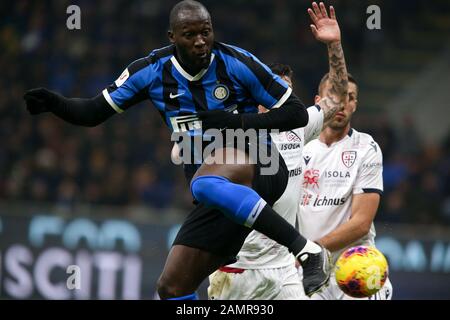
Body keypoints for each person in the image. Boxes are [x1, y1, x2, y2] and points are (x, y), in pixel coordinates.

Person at [24, 1, 340, 299]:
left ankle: (308, 251)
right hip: (216, 190)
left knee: (203, 183)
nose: (201, 41)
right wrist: (55, 103)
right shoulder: (149, 72)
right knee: (173, 287)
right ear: (172, 37)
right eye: (190, 35)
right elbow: (93, 112)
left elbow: (296, 113)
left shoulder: (236, 63)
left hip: (263, 166)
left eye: (206, 32)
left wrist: (234, 123)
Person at [207, 3, 349, 299]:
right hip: (238, 270)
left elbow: (336, 97)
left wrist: (334, 45)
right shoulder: (235, 134)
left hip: (285, 267)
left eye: (289, 92)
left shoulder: (299, 127)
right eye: (277, 92)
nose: (286, 100)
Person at [298, 73, 394, 300]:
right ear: (317, 101)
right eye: (334, 95)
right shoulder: (300, 149)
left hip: (358, 267)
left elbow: (361, 224)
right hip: (311, 271)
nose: (342, 103)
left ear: (355, 105)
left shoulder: (366, 147)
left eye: (349, 97)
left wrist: (311, 249)